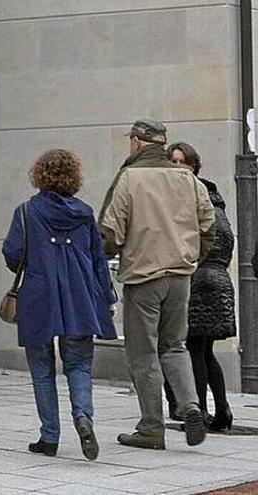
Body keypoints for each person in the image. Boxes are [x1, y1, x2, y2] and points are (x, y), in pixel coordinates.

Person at [100, 119, 215, 450]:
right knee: (175, 345)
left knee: (143, 353)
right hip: (180, 275)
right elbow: (208, 226)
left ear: (137, 142)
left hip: (143, 275)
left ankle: (151, 426)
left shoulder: (129, 177)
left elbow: (110, 230)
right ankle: (190, 405)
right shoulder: (188, 179)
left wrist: (111, 254)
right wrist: (191, 256)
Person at [3, 149, 117, 460]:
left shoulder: (26, 211)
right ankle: (83, 416)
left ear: (39, 175)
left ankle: (49, 436)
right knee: (79, 364)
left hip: (38, 295)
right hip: (80, 296)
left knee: (41, 368)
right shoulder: (85, 213)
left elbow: (12, 254)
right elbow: (99, 259)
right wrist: (108, 298)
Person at [163, 142, 235, 432]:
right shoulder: (217, 203)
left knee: (194, 347)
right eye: (173, 161)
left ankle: (201, 411)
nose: (178, 167)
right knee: (205, 350)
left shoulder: (192, 200)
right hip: (219, 279)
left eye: (182, 161)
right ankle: (222, 410)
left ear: (193, 166)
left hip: (200, 278)